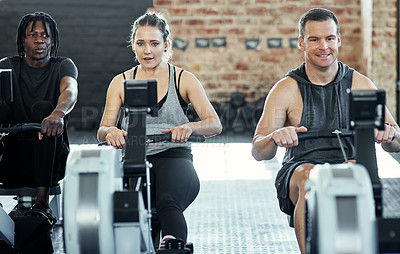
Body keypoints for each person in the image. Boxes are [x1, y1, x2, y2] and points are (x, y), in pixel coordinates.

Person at [251, 8, 400, 254]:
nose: (324, 46)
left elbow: (397, 140)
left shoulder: (361, 84)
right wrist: (275, 137)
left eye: (330, 38)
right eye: (314, 39)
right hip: (301, 168)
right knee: (311, 178)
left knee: (356, 176)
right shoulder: (285, 89)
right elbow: (258, 150)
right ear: (302, 43)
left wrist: (389, 134)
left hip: (349, 162)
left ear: (338, 39)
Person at [97, 12, 222, 249]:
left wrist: (188, 127)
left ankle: (174, 246)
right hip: (134, 157)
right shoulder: (120, 82)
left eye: (154, 44)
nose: (147, 51)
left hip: (175, 157)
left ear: (166, 45)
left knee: (166, 201)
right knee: (135, 211)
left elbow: (214, 123)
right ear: (132, 45)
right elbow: (103, 128)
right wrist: (110, 132)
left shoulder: (184, 79)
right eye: (140, 43)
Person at [0, 12, 78, 225]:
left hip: (50, 161)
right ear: (23, 40)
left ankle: (42, 203)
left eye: (45, 35)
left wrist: (57, 114)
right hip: (11, 162)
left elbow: (70, 90)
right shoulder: (7, 65)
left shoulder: (63, 65)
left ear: (52, 41)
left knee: (42, 108)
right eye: (32, 34)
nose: (39, 40)